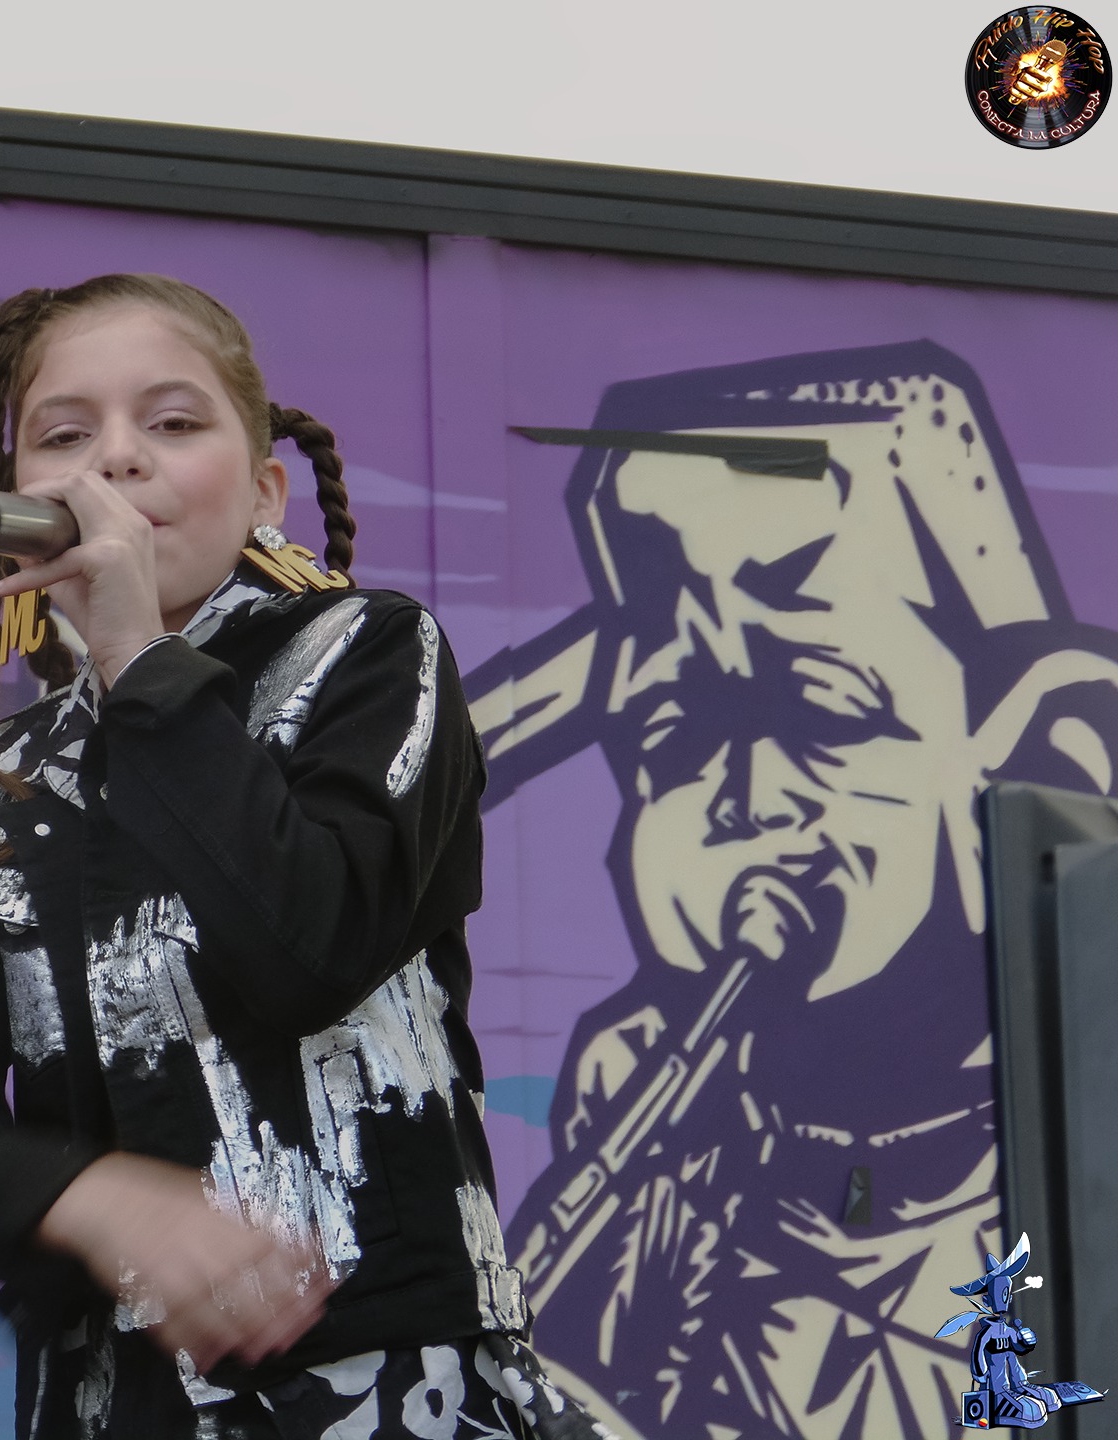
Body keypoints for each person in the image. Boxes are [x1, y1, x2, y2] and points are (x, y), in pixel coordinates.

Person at [0, 274, 617, 1440]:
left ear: (265, 492)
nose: (118, 460)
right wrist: (93, 1199)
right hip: (115, 1403)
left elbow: (312, 944)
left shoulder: (372, 656)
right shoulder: (7, 780)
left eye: (171, 422)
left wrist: (138, 660)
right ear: (16, 507)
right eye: (65, 436)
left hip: (384, 1386)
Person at [469, 342, 1118, 1439]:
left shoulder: (1079, 1141)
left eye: (820, 710)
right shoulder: (656, 1156)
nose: (745, 800)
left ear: (1046, 753)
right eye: (676, 738)